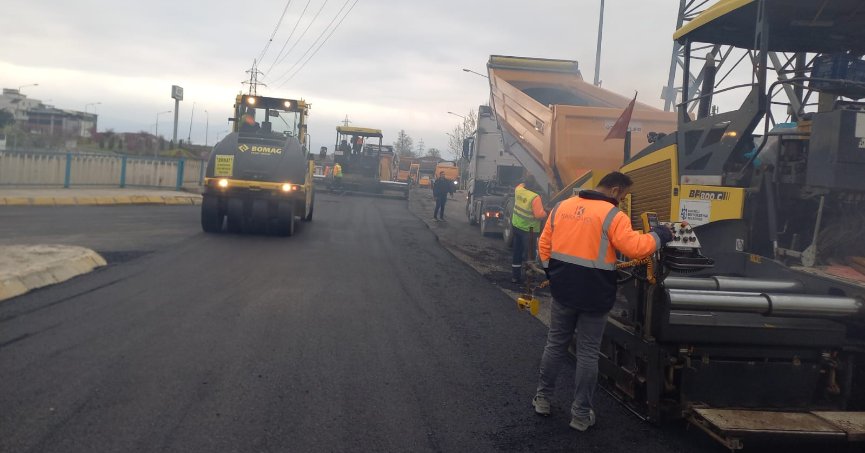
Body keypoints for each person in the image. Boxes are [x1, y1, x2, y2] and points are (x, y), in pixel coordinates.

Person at [531, 171, 673, 432]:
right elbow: (636, 248)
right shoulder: (612, 215)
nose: (623, 199)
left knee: (555, 344)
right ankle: (580, 415)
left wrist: (553, 273)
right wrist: (661, 235)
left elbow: (544, 244)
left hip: (564, 291)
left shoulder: (562, 207)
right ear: (616, 190)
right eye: (625, 195)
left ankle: (542, 399)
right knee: (587, 353)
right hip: (595, 295)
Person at [511, 175, 547, 284]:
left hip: (516, 226)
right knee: (530, 255)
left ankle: (515, 277)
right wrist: (546, 212)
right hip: (529, 231)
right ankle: (529, 279)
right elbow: (539, 215)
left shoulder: (518, 190)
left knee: (517, 252)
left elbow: (521, 184)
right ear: (535, 185)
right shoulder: (535, 197)